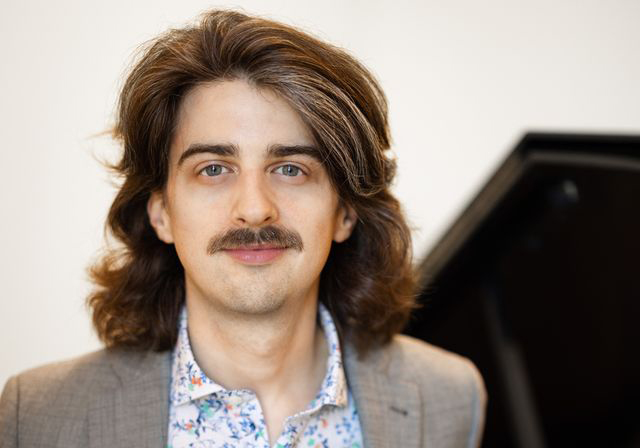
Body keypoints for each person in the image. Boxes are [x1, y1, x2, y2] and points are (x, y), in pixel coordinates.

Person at [0, 9, 486, 448]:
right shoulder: (38, 416)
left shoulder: (449, 398)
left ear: (346, 212)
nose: (254, 210)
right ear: (161, 212)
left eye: (291, 169)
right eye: (213, 168)